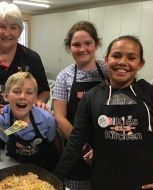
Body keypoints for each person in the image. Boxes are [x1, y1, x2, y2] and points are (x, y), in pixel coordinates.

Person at [53, 35, 153, 190]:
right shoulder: (91, 97)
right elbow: (75, 142)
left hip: (146, 184)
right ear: (106, 59)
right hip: (103, 182)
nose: (122, 62)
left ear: (140, 63)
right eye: (116, 55)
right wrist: (54, 178)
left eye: (131, 57)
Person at [0, 1, 50, 123]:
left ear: (20, 31)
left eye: (13, 27)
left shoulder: (32, 58)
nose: (7, 32)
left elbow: (44, 90)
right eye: (2, 26)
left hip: (25, 125)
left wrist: (38, 102)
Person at [0, 72, 60, 171]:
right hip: (14, 168)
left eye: (29, 93)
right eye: (16, 91)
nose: (22, 96)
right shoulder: (0, 118)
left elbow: (54, 142)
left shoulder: (46, 119)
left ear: (34, 98)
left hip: (44, 170)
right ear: (6, 96)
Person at [52, 21, 107, 189]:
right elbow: (60, 118)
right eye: (76, 44)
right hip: (76, 151)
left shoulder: (108, 71)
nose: (82, 49)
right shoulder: (64, 77)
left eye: (88, 43)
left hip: (107, 149)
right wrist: (84, 148)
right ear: (69, 47)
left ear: (96, 44)